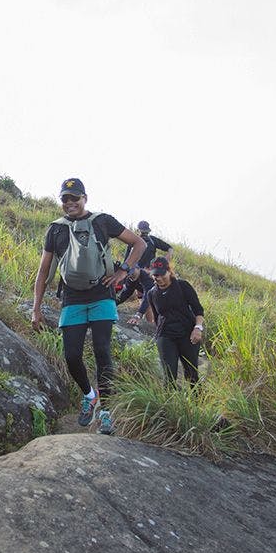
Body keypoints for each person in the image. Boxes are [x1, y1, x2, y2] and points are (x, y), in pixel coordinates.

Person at [32, 178, 146, 435]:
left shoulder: (103, 221)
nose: (70, 203)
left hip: (102, 295)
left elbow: (139, 243)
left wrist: (124, 272)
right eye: (65, 199)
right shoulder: (55, 230)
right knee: (71, 356)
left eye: (75, 198)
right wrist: (36, 308)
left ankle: (105, 412)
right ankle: (89, 395)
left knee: (102, 351)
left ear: (85, 198)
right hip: (72, 297)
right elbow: (43, 271)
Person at [129, 257, 206, 390]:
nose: (158, 278)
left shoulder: (183, 286)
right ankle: (168, 407)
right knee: (169, 376)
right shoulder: (152, 294)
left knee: (192, 374)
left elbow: (198, 309)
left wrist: (197, 328)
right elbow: (157, 317)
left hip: (188, 334)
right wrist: (158, 336)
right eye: (155, 275)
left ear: (169, 271)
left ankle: (198, 404)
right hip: (166, 335)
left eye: (161, 274)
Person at [123, 221, 173, 323]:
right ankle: (150, 325)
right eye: (142, 232)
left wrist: (164, 260)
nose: (144, 234)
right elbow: (126, 260)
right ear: (138, 231)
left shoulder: (153, 240)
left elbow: (170, 248)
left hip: (149, 274)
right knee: (144, 299)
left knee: (149, 300)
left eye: (146, 232)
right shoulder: (132, 242)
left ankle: (151, 325)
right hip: (136, 273)